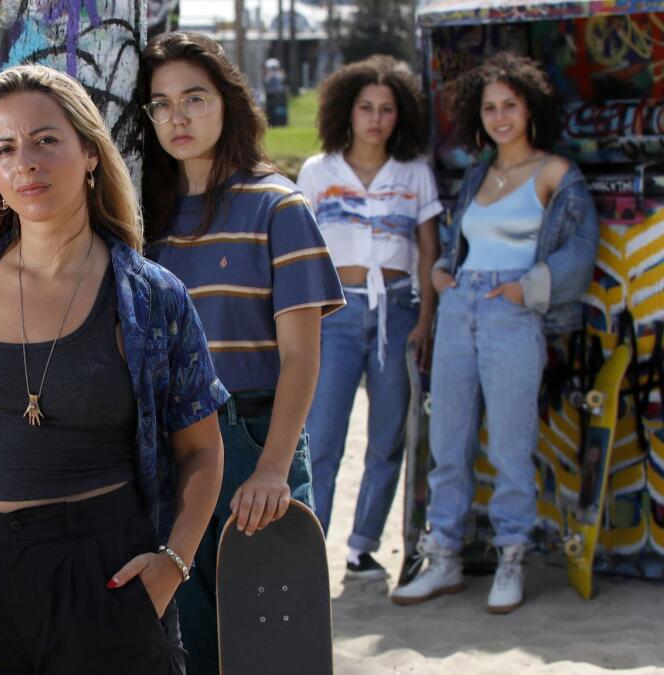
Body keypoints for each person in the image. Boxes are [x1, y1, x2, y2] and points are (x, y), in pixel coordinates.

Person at [0, 64, 226, 674]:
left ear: (91, 154)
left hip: (105, 570)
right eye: (5, 148)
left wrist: (172, 566)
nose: (26, 161)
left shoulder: (151, 298)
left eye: (46, 140)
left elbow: (204, 450)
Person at [139, 32, 344, 674]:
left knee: (269, 643)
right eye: (161, 103)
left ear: (227, 103)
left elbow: (303, 358)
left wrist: (274, 467)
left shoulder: (278, 206)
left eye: (194, 99)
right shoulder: (146, 218)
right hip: (168, 444)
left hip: (254, 437)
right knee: (189, 636)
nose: (178, 117)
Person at [391, 52, 597, 613]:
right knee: (448, 441)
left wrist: (527, 289)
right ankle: (447, 559)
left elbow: (581, 249)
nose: (500, 117)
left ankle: (511, 556)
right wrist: (441, 275)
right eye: (489, 108)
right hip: (460, 309)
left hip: (513, 311)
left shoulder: (555, 172)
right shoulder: (481, 173)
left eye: (510, 105)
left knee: (510, 443)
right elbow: (461, 242)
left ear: (530, 109)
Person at [297, 55, 443, 580]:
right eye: (366, 107)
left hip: (399, 313)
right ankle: (308, 548)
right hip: (333, 314)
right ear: (347, 111)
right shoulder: (318, 171)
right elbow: (299, 252)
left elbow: (428, 250)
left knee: (388, 437)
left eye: (386, 109)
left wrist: (425, 319)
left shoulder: (414, 172)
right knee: (323, 437)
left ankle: (362, 548)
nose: (376, 118)